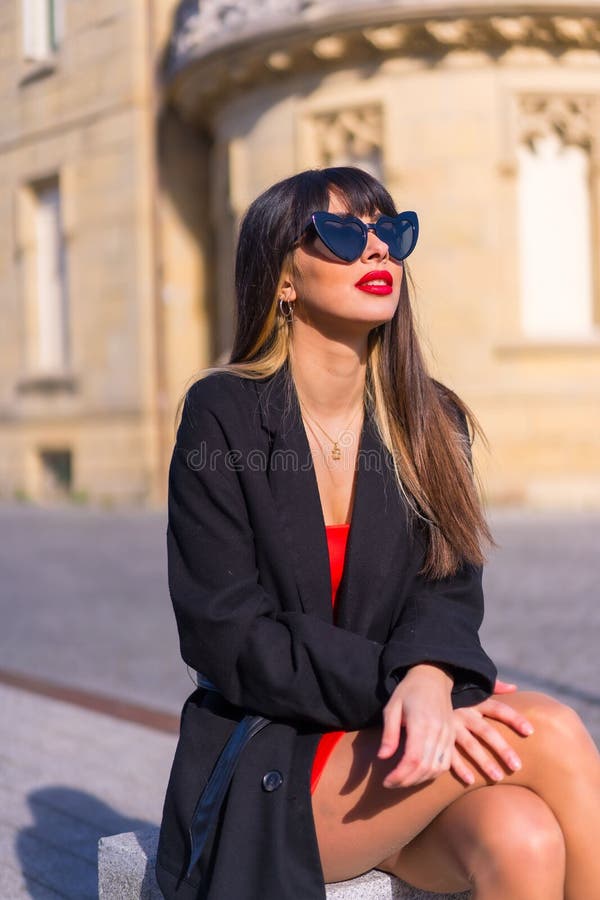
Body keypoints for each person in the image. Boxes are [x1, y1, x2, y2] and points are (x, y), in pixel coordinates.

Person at [155, 166, 600, 900]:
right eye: (341, 233)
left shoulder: (433, 419)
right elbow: (226, 633)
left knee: (523, 838)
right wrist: (402, 688)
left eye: (391, 233)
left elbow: (449, 589)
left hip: (398, 754)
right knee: (547, 732)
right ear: (283, 279)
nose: (376, 252)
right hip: (276, 760)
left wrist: (430, 677)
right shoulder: (223, 415)